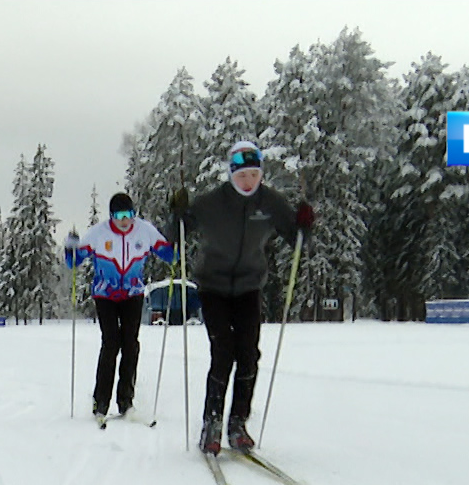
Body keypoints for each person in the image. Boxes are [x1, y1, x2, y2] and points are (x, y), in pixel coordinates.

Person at [167, 141, 314, 454]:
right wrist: (177, 214)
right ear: (231, 174)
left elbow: (297, 238)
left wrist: (304, 224)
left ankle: (238, 423)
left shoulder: (270, 202)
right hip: (213, 286)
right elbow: (176, 233)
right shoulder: (212, 202)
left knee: (248, 354)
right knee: (223, 352)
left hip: (248, 286)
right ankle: (212, 423)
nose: (248, 181)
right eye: (242, 175)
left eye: (254, 174)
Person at [65, 192, 175, 424]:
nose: (124, 220)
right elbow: (74, 261)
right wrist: (70, 249)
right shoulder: (99, 233)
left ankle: (126, 401)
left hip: (133, 294)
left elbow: (168, 254)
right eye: (119, 216)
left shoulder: (144, 231)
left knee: (131, 344)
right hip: (105, 294)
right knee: (111, 343)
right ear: (111, 216)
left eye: (128, 215)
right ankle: (101, 402)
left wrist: (175, 235)